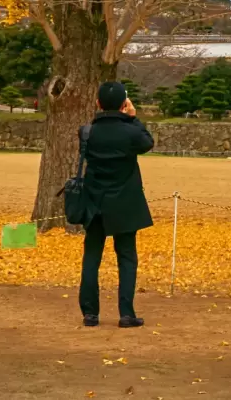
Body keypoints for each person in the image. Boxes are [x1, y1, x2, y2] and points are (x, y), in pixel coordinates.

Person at [78, 81, 154, 328]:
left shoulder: (87, 131)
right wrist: (132, 118)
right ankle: (126, 313)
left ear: (98, 103)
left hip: (94, 201)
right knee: (127, 258)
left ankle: (90, 313)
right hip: (124, 201)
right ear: (124, 103)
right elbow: (147, 143)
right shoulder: (130, 132)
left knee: (92, 256)